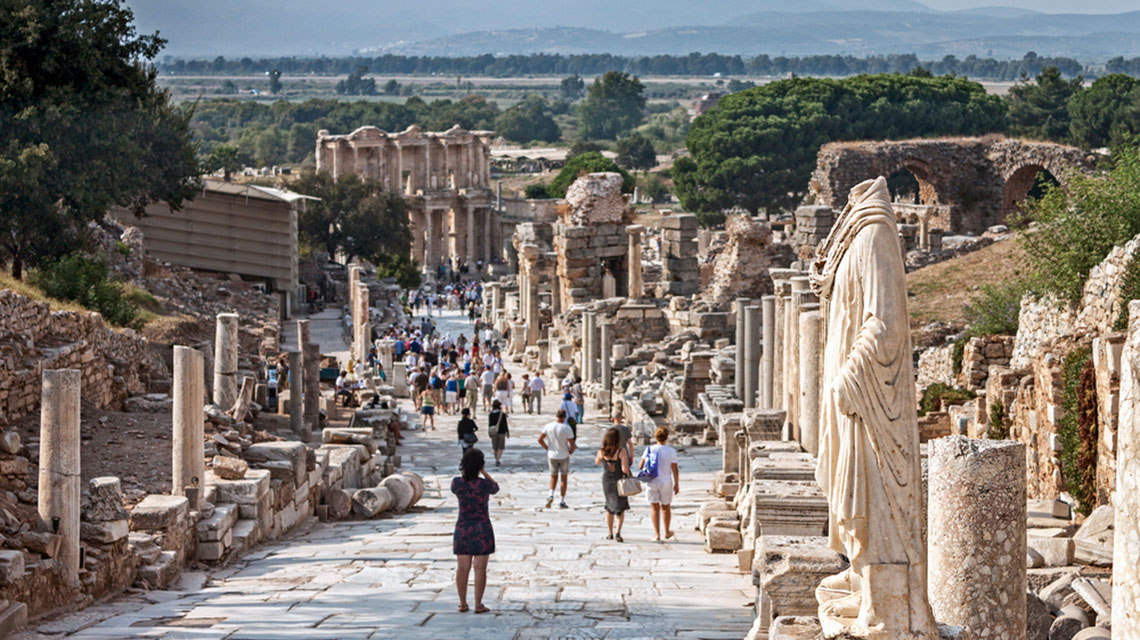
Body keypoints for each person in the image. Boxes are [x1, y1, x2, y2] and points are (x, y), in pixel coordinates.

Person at [452, 448, 498, 614]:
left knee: (462, 568)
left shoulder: (456, 483)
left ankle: (463, 603)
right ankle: (478, 604)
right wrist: (484, 472)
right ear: (480, 465)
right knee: (480, 569)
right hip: (482, 528)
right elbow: (496, 488)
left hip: (463, 528)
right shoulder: (485, 484)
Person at [640, 427, 680, 542]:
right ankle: (667, 532)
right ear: (667, 437)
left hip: (652, 480)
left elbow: (641, 466)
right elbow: (675, 469)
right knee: (666, 507)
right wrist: (676, 484)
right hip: (666, 481)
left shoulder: (649, 449)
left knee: (654, 508)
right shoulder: (671, 451)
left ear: (655, 437)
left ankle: (657, 534)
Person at [595, 427, 631, 542]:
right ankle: (618, 532)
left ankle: (609, 533)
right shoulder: (621, 451)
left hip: (607, 481)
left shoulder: (602, 451)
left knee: (609, 507)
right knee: (620, 508)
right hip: (619, 481)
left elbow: (597, 462)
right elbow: (625, 470)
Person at [538, 409, 576, 509]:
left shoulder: (549, 426)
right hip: (563, 455)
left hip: (552, 455)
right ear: (564, 417)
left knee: (553, 477)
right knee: (564, 478)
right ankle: (562, 501)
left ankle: (550, 494)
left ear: (556, 416)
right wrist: (571, 451)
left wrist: (547, 447)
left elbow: (540, 439)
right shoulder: (566, 428)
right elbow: (572, 444)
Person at [488, 399, 509, 466]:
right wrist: (507, 432)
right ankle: (498, 459)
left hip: (493, 432)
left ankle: (496, 459)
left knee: (495, 447)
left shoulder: (491, 414)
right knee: (500, 447)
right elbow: (505, 424)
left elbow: (489, 424)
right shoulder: (502, 414)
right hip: (502, 432)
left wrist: (489, 433)